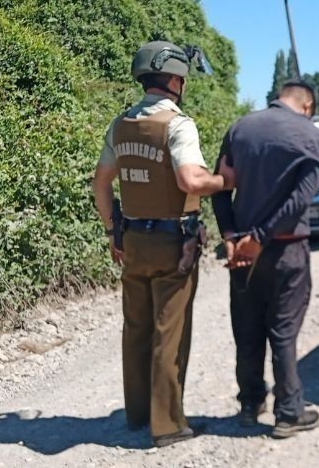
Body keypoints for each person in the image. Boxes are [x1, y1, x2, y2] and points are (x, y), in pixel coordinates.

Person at [91, 40, 235, 448]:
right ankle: (168, 424)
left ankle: (137, 414)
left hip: (132, 240)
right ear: (174, 79)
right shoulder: (177, 124)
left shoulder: (119, 125)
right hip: (174, 242)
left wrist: (110, 231)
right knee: (168, 332)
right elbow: (191, 181)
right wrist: (227, 181)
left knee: (135, 328)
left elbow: (101, 182)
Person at [211, 80, 319, 439]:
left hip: (242, 250)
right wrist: (262, 237)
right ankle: (289, 412)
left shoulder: (241, 127)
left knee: (247, 331)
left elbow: (220, 185)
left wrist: (231, 235)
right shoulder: (310, 135)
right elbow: (301, 200)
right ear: (307, 105)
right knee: (283, 331)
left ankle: (249, 404)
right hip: (285, 249)